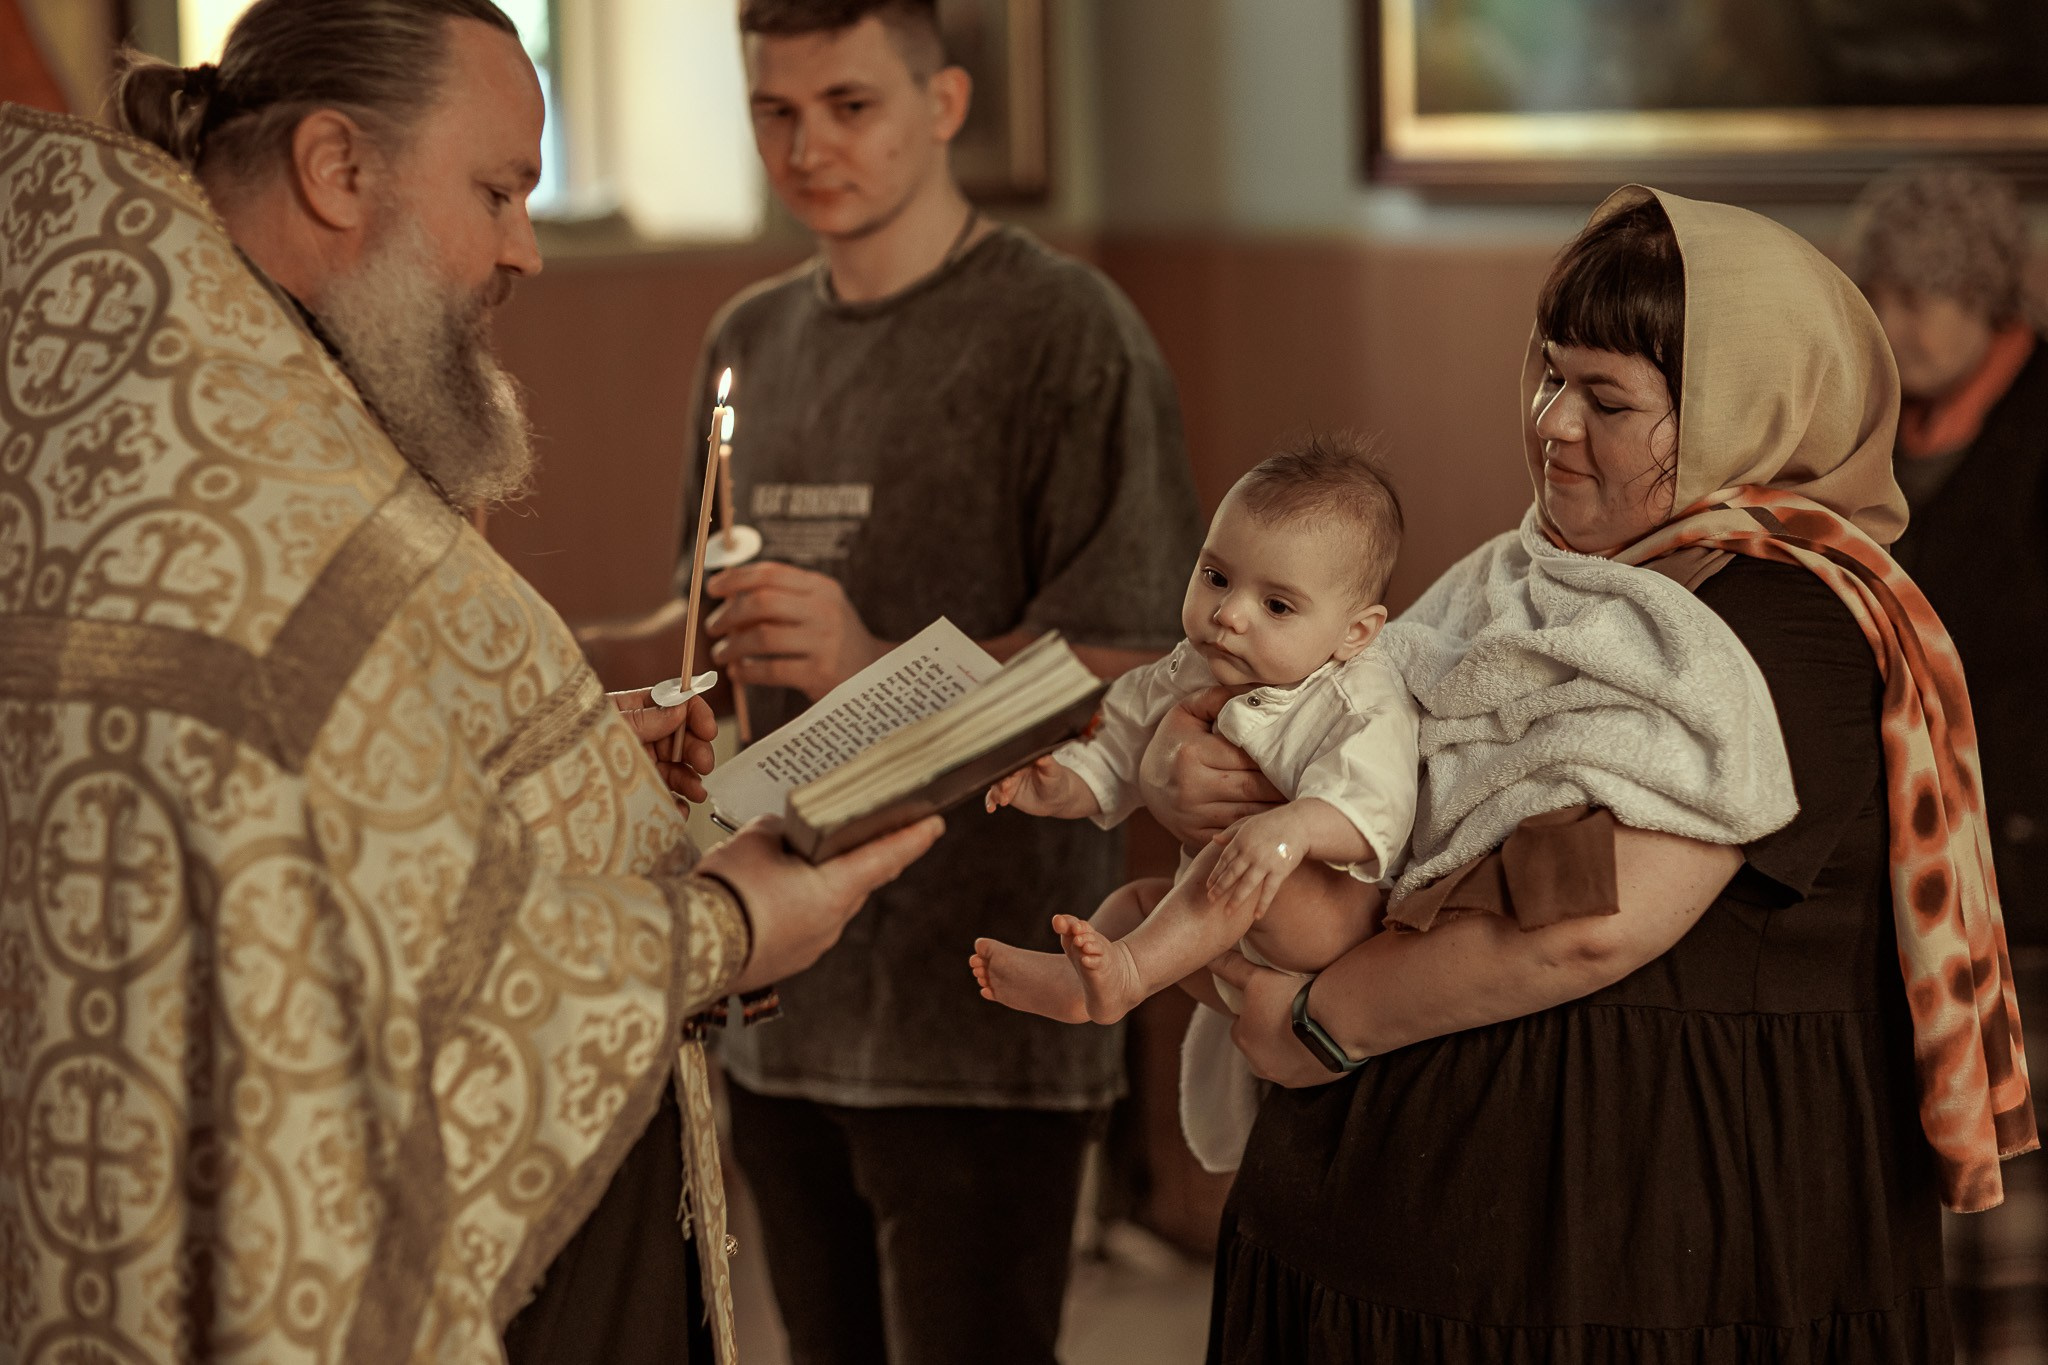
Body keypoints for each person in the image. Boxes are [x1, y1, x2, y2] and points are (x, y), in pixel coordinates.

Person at [0, 4, 939, 1365]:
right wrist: (732, 919)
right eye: (497, 190)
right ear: (337, 169)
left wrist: (553, 753)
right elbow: (400, 989)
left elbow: (347, 817)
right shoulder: (269, 501)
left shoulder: (189, 387)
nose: (527, 248)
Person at [1151, 188, 2036, 1362]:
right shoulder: (1529, 578)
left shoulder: (1788, 629)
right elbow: (1341, 745)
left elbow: (1581, 911)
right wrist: (1194, 766)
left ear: (1741, 412)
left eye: (1605, 399)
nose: (1551, 424)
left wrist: (1312, 1026)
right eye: (1548, 376)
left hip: (1648, 1246)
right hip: (1420, 1227)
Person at [586, 1, 1202, 1359]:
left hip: (980, 1002)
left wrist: (870, 660)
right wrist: (549, 660)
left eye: (850, 105)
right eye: (775, 111)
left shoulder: (1066, 331)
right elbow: (697, 636)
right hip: (778, 988)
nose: (808, 148)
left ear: (945, 105)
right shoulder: (751, 334)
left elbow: (1138, 669)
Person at [970, 436, 1417, 1175]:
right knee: (1139, 898)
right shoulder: (1194, 666)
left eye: (1276, 604)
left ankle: (1129, 975)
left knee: (1217, 862)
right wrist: (1062, 782)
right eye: (1215, 576)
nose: (1229, 615)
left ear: (1356, 632)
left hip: (1331, 926)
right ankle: (1080, 985)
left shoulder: (1357, 696)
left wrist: (1292, 826)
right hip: (1230, 935)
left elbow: (1377, 804)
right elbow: (1117, 738)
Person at [1847, 162, 2048, 1365]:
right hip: (1924, 854)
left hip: (2025, 857)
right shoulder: (1876, 436)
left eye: (1928, 293)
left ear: (1988, 300)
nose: (1900, 317)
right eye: (1882, 289)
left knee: (2019, 1163)